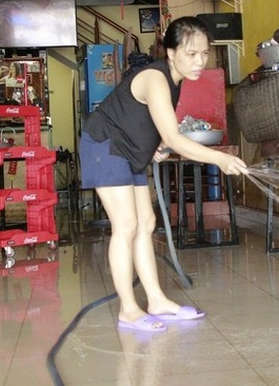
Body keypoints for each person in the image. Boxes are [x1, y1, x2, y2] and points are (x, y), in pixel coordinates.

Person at [79, 16, 249, 332]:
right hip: (104, 145)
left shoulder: (176, 79)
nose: (200, 61)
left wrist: (156, 146)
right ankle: (129, 310)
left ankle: (156, 300)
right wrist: (218, 158)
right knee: (126, 224)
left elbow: (150, 122)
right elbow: (173, 136)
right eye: (191, 54)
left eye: (204, 53)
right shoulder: (156, 78)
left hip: (128, 149)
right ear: (170, 53)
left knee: (146, 222)